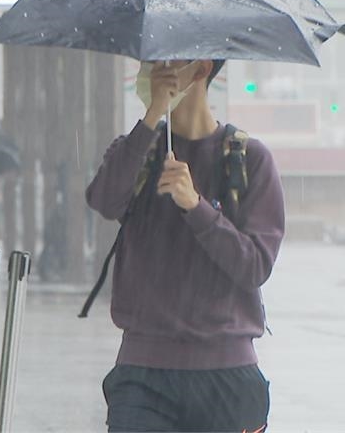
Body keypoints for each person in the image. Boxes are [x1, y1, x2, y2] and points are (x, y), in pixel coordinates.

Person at [86, 59, 285, 433]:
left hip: (227, 378)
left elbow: (255, 266)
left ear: (200, 69)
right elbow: (103, 200)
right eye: (149, 62)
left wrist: (196, 207)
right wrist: (151, 118)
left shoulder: (251, 160)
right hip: (143, 377)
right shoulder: (138, 150)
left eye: (166, 60)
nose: (150, 70)